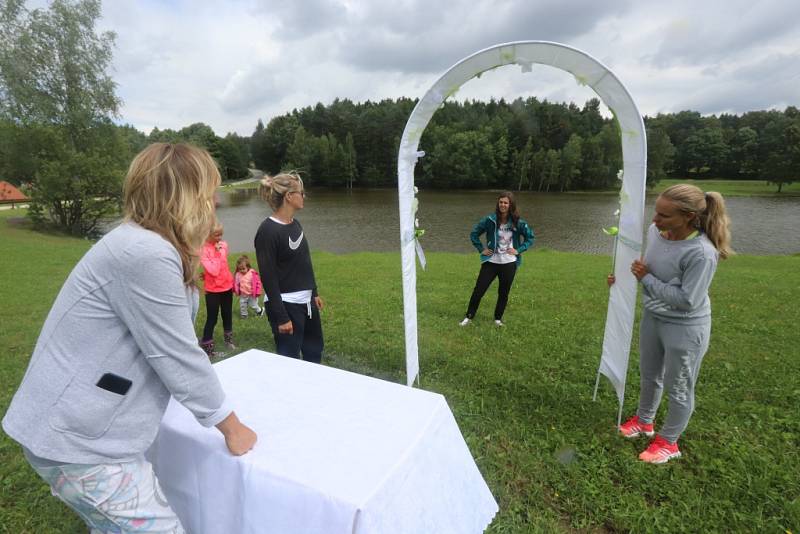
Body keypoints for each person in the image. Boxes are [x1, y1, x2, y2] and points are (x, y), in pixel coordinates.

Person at [2, 143, 257, 532]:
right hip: (80, 444)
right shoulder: (145, 252)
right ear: (184, 197)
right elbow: (176, 354)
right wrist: (231, 427)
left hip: (76, 430)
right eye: (208, 193)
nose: (215, 202)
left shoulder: (145, 243)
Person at [608, 183, 732, 464]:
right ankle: (644, 421)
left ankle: (669, 442)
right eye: (656, 212)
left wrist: (646, 279)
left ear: (688, 216)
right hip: (654, 317)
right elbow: (645, 266)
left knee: (679, 386)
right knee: (650, 375)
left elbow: (687, 299)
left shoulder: (702, 253)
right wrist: (620, 278)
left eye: (664, 215)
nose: (655, 220)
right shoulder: (655, 233)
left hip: (685, 327)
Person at [254, 172, 325, 363]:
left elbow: (304, 261)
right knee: (289, 361)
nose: (304, 196)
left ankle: (312, 391)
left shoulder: (296, 224)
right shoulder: (267, 231)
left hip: (307, 304)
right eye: (301, 193)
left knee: (314, 352)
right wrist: (282, 317)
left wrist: (314, 292)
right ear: (288, 197)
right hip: (286, 305)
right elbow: (268, 277)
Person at [459, 191, 535, 327]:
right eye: (501, 202)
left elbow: (530, 238)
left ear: (510, 205)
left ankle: (497, 319)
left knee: (503, 292)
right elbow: (474, 234)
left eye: (506, 202)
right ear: (498, 203)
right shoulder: (490, 220)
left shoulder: (518, 222)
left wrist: (518, 250)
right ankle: (469, 317)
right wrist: (482, 249)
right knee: (478, 290)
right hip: (491, 263)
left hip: (509, 263)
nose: (503, 205)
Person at [200, 221, 235, 356]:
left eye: (221, 235)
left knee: (227, 315)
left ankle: (229, 342)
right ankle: (208, 349)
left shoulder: (223, 245)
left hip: (226, 286)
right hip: (213, 290)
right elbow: (214, 271)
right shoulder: (203, 250)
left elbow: (222, 267)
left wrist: (220, 251)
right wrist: (219, 254)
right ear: (207, 234)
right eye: (216, 235)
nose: (220, 238)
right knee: (212, 318)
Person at [234, 254, 264, 319]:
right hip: (243, 294)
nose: (242, 270)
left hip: (251, 294)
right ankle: (244, 315)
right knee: (242, 304)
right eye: (240, 269)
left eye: (243, 269)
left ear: (248, 267)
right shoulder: (238, 274)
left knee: (253, 305)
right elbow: (236, 283)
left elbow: (258, 283)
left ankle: (260, 311)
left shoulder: (252, 273)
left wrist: (258, 292)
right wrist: (236, 291)